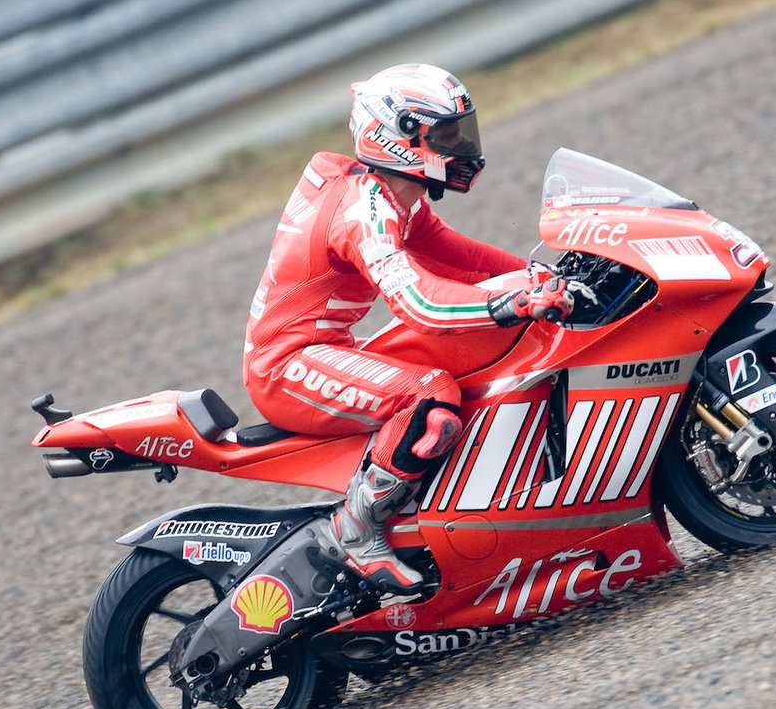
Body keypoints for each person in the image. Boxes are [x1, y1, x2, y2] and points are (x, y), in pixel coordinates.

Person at [243, 63, 576, 597]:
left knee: (465, 365)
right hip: (286, 367)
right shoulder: (363, 210)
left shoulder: (397, 196)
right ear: (398, 137)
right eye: (446, 135)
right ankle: (356, 526)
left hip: (324, 350)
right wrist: (516, 301)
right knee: (430, 393)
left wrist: (552, 275)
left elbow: (465, 258)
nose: (463, 146)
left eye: (462, 131)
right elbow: (420, 303)